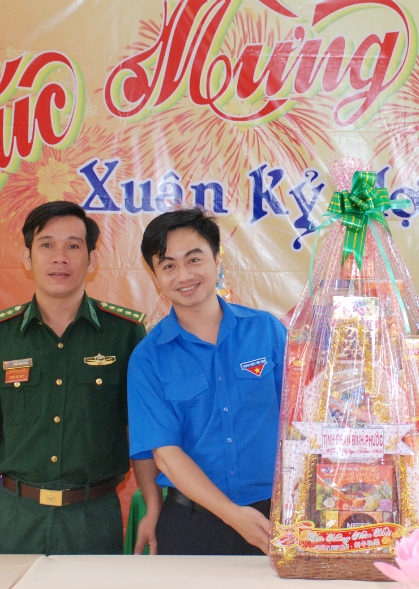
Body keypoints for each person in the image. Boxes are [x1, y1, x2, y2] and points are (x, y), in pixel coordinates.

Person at [0, 201, 162, 555]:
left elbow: (138, 431)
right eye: (46, 245)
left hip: (93, 518)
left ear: (91, 260)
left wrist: (152, 506)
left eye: (73, 246)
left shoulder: (124, 334)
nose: (60, 257)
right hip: (15, 518)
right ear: (27, 257)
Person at [127, 208, 287, 555]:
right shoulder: (147, 357)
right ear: (155, 276)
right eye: (168, 266)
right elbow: (165, 454)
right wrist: (232, 514)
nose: (184, 275)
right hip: (192, 524)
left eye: (194, 259)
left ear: (217, 260)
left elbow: (300, 420)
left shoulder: (266, 330)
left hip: (276, 517)